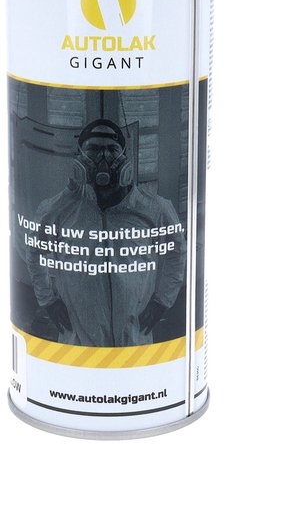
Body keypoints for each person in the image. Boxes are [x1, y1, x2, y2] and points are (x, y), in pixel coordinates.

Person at [26, 119, 185, 347]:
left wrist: (163, 300)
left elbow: (176, 252)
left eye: (112, 149)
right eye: (93, 149)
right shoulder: (58, 209)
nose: (104, 158)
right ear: (80, 157)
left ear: (124, 157)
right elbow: (34, 250)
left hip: (134, 340)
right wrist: (47, 300)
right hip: (77, 342)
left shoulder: (155, 208)